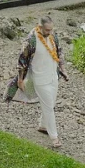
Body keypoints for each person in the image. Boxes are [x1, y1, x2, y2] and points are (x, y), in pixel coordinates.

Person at [16, 15, 68, 148]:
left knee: (51, 103)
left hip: (53, 77)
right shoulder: (30, 41)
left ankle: (43, 126)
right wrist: (20, 80)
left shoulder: (53, 37)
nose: (49, 32)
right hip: (40, 79)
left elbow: (59, 53)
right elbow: (22, 61)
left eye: (51, 29)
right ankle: (54, 137)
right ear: (39, 27)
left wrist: (63, 69)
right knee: (49, 107)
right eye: (47, 30)